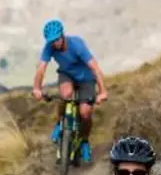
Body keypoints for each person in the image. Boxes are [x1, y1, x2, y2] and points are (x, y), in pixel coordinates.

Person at [32, 19, 108, 163]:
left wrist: (102, 91)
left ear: (63, 35)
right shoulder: (49, 47)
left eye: (57, 39)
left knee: (85, 112)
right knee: (65, 95)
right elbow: (41, 68)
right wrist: (37, 88)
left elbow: (94, 67)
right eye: (52, 41)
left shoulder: (77, 45)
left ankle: (84, 141)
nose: (55, 43)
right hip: (67, 74)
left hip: (86, 77)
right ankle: (60, 123)